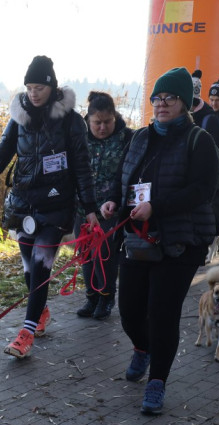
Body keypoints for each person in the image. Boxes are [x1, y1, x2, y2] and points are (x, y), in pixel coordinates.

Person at [0, 55, 99, 358]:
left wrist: (90, 208)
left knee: (43, 266)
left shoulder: (71, 120)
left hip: (57, 206)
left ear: (51, 86)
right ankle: (40, 312)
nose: (33, 93)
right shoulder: (18, 118)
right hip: (22, 205)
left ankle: (26, 332)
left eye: (39, 87)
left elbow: (83, 167)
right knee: (30, 271)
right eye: (29, 87)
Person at [100, 67, 219, 415]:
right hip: (138, 240)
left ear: (186, 103)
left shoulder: (200, 141)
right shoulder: (139, 138)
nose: (162, 104)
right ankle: (142, 347)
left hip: (180, 242)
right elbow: (122, 181)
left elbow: (202, 191)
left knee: (162, 314)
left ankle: (157, 382)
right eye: (157, 98)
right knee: (129, 312)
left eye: (170, 98)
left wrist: (157, 208)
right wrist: (113, 203)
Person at [73, 91, 132, 320]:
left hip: (110, 210)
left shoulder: (127, 138)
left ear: (115, 118)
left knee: (104, 256)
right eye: (97, 122)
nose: (102, 127)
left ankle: (107, 297)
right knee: (86, 255)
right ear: (88, 120)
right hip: (82, 208)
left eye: (107, 122)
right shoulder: (79, 140)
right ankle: (91, 296)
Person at [189, 70, 219, 150]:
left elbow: (216, 151)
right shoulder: (180, 115)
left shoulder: (209, 120)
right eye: (211, 100)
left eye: (218, 100)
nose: (214, 103)